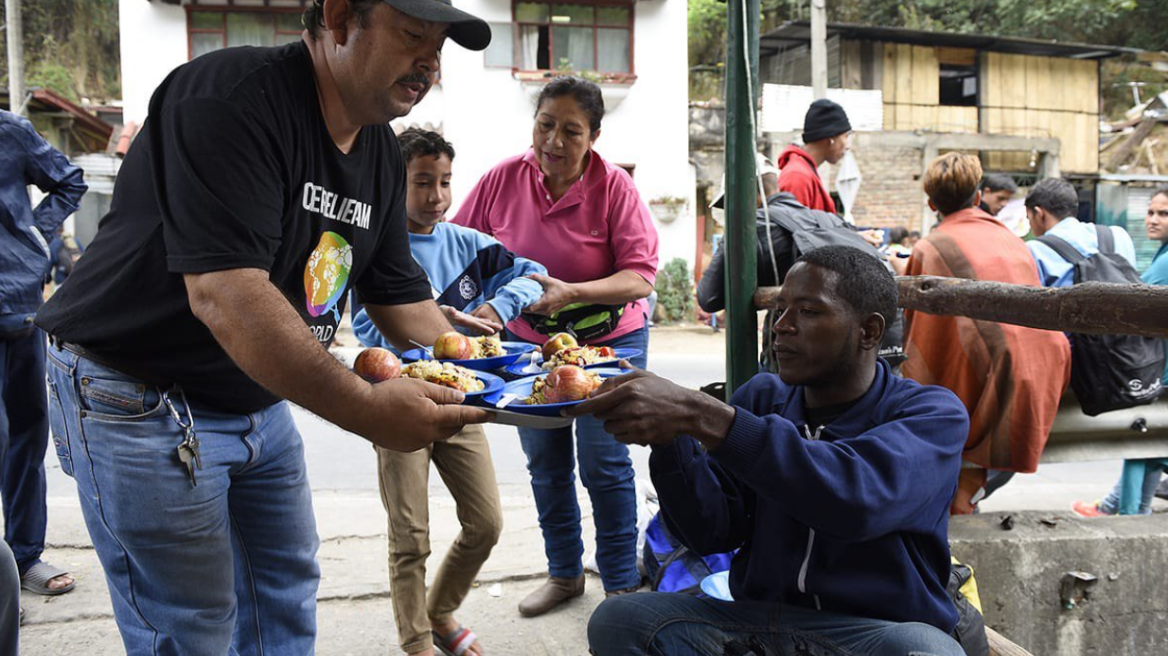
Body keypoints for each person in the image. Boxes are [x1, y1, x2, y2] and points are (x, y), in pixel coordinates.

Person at [34, 0, 494, 653]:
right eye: (413, 35)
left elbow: (400, 300)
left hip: (256, 398)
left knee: (280, 601)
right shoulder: (228, 98)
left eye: (438, 47)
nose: (429, 63)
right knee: (191, 628)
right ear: (338, 18)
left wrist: (510, 376)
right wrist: (365, 407)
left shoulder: (383, 159)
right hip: (139, 395)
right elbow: (227, 294)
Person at [574, 246, 969, 656]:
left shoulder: (931, 415)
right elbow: (710, 532)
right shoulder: (763, 398)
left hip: (870, 634)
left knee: (928, 651)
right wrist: (671, 438)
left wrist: (708, 417)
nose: (781, 326)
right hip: (764, 626)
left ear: (868, 331)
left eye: (808, 311)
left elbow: (856, 500)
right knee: (621, 620)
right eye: (779, 310)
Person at [453, 75, 659, 616]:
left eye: (572, 130)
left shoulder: (615, 188)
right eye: (546, 125)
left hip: (609, 345)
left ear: (593, 136)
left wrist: (571, 292)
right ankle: (564, 574)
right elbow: (460, 246)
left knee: (605, 464)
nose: (555, 141)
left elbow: (640, 276)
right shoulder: (502, 178)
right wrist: (476, 304)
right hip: (527, 349)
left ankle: (618, 586)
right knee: (545, 465)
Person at [350, 128, 545, 656]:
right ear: (394, 183)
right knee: (410, 536)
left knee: (486, 523)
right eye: (421, 182)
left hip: (464, 401)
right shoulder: (374, 247)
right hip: (397, 404)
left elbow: (534, 275)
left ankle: (440, 612)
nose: (436, 196)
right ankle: (417, 642)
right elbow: (367, 333)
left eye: (444, 182)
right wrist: (435, 323)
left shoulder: (468, 245)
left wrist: (493, 310)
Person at [901, 153, 1071, 515]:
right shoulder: (1010, 237)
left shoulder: (930, 246)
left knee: (925, 400)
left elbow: (923, 336)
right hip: (1043, 367)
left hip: (992, 374)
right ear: (978, 197)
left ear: (931, 204)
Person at [0, 109, 86, 599]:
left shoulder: (9, 133)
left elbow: (69, 180)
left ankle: (23, 557)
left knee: (28, 438)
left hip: (22, 309)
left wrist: (30, 234)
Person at [1074, 187, 1168, 517]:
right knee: (1148, 444)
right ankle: (1119, 507)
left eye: (1163, 214)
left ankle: (1127, 514)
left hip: (1159, 371)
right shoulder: (1161, 254)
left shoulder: (1165, 262)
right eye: (1151, 212)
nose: (1153, 220)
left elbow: (1134, 308)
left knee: (1144, 442)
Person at [1024, 177, 1137, 288]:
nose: (1030, 224)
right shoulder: (1117, 235)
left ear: (1039, 214)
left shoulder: (1034, 250)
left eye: (1028, 217)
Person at [775, 99, 852, 214]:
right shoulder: (797, 176)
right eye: (845, 136)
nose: (847, 146)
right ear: (831, 138)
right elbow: (795, 230)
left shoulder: (805, 171)